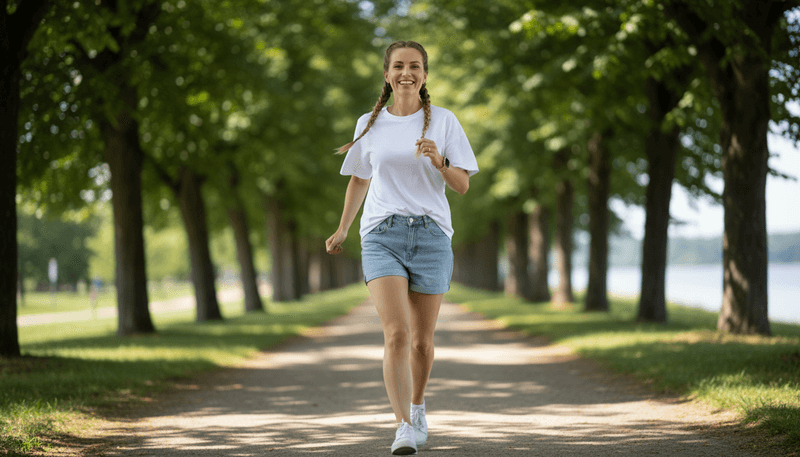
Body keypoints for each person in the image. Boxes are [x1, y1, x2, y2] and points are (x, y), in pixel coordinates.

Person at [325, 40, 478, 455]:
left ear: (425, 75)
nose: (406, 72)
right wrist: (342, 229)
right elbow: (359, 178)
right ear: (387, 75)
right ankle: (403, 427)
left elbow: (462, 186)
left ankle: (417, 404)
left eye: (414, 66)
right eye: (398, 66)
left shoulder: (444, 122)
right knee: (396, 333)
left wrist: (439, 163)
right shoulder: (368, 124)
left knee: (421, 342)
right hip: (381, 234)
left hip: (431, 236)